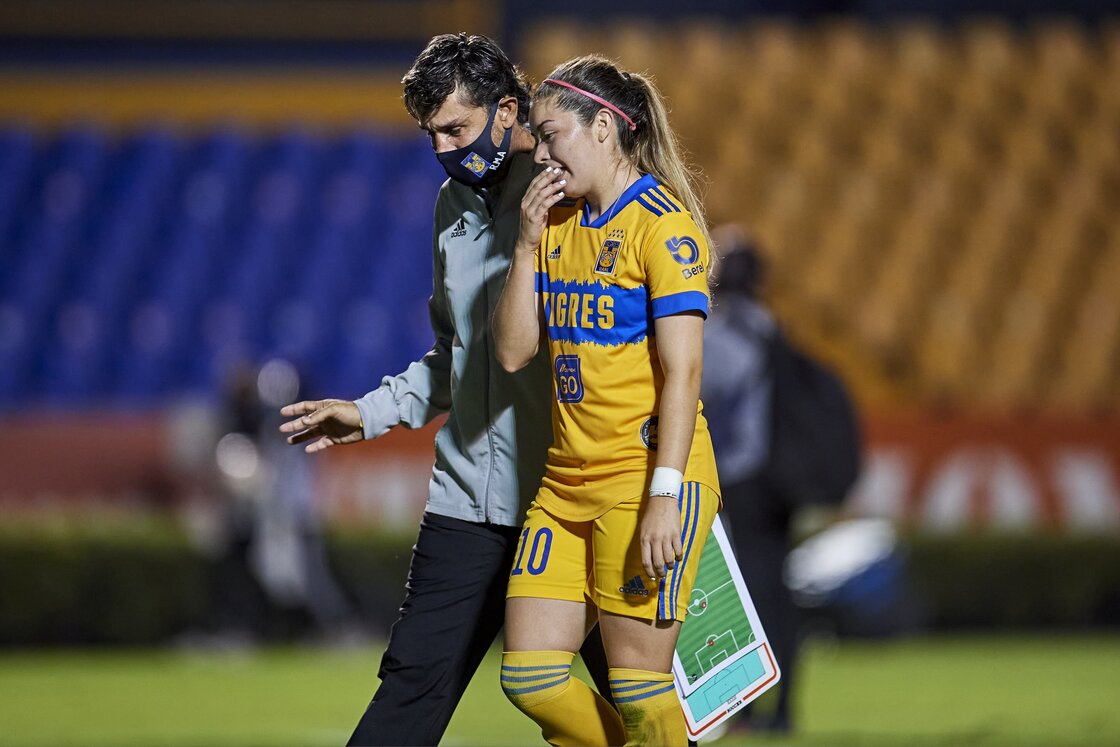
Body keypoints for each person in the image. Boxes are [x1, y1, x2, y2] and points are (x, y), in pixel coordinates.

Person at [278, 34, 610, 747]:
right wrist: (365, 412)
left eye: (455, 127)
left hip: (571, 496)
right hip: (466, 501)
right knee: (410, 687)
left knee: (636, 695)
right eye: (430, 132)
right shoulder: (450, 206)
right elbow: (456, 356)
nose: (441, 146)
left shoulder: (574, 196)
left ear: (507, 110)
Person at [492, 55, 721, 746]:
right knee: (528, 674)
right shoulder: (553, 224)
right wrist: (527, 245)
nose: (542, 154)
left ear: (602, 129)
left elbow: (684, 374)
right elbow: (511, 352)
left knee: (639, 688)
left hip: (643, 477)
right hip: (567, 482)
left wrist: (664, 495)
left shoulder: (663, 225)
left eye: (551, 133)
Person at [701, 225, 861, 734]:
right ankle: (780, 706)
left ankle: (751, 709)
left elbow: (699, 381)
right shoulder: (768, 326)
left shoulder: (722, 332)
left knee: (747, 597)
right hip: (779, 479)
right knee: (773, 592)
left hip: (746, 478)